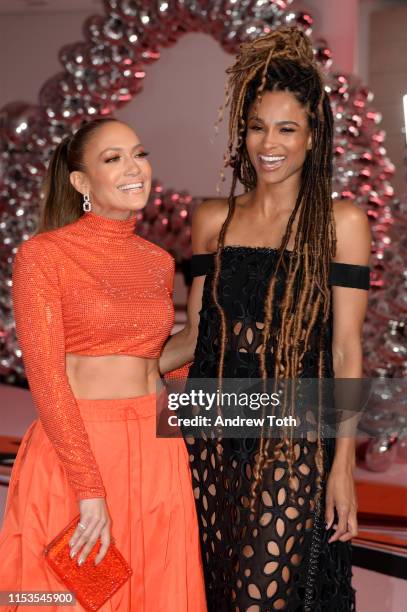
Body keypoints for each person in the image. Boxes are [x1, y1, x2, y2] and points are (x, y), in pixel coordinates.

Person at [159, 28, 370, 611]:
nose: (268, 144)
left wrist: (343, 465)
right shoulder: (212, 218)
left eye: (286, 129)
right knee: (213, 593)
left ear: (312, 137)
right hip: (210, 426)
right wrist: (119, 366)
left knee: (261, 598)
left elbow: (347, 351)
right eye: (256, 127)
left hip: (294, 432)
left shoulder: (342, 224)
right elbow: (200, 334)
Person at [0, 118, 206, 611]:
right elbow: (47, 377)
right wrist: (89, 488)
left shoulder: (158, 261)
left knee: (157, 593)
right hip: (80, 449)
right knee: (70, 598)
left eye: (139, 153)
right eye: (113, 159)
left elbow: (154, 361)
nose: (135, 169)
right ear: (80, 181)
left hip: (158, 452)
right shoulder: (43, 255)